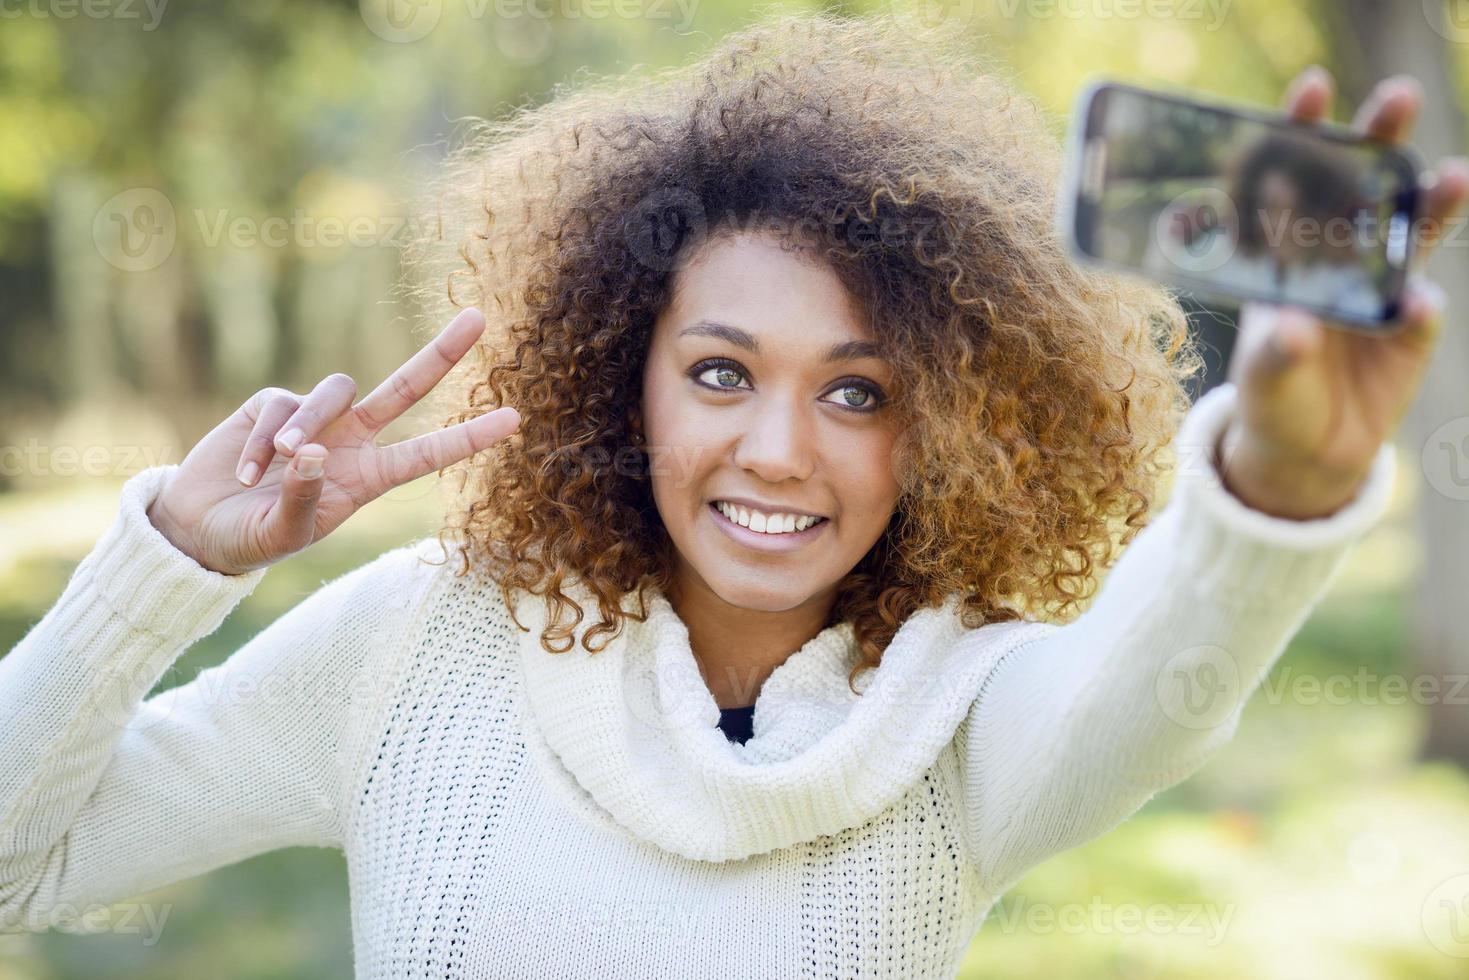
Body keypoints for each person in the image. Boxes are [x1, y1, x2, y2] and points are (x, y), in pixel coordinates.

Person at [1, 12, 1464, 978]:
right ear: (618, 380)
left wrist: (1281, 477)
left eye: (856, 392)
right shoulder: (414, 643)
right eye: (717, 373)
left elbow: (1154, 691)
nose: (777, 449)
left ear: (938, 424)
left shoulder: (965, 714)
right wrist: (165, 569)